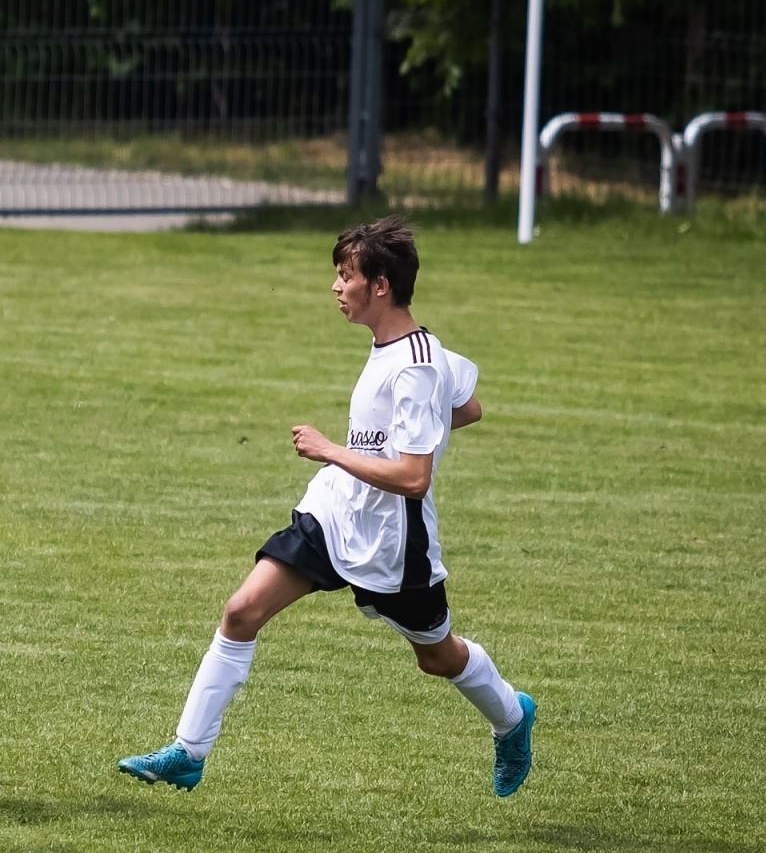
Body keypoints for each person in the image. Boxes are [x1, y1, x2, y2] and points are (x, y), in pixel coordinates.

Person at [119, 216, 535, 797]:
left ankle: (512, 718)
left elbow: (415, 478)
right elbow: (467, 407)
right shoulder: (410, 350)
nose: (337, 288)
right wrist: (380, 444)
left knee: (437, 658)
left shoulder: (418, 364)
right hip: (335, 516)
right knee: (241, 611)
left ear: (381, 284)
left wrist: (330, 450)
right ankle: (189, 752)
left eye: (346, 276)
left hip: (394, 542)